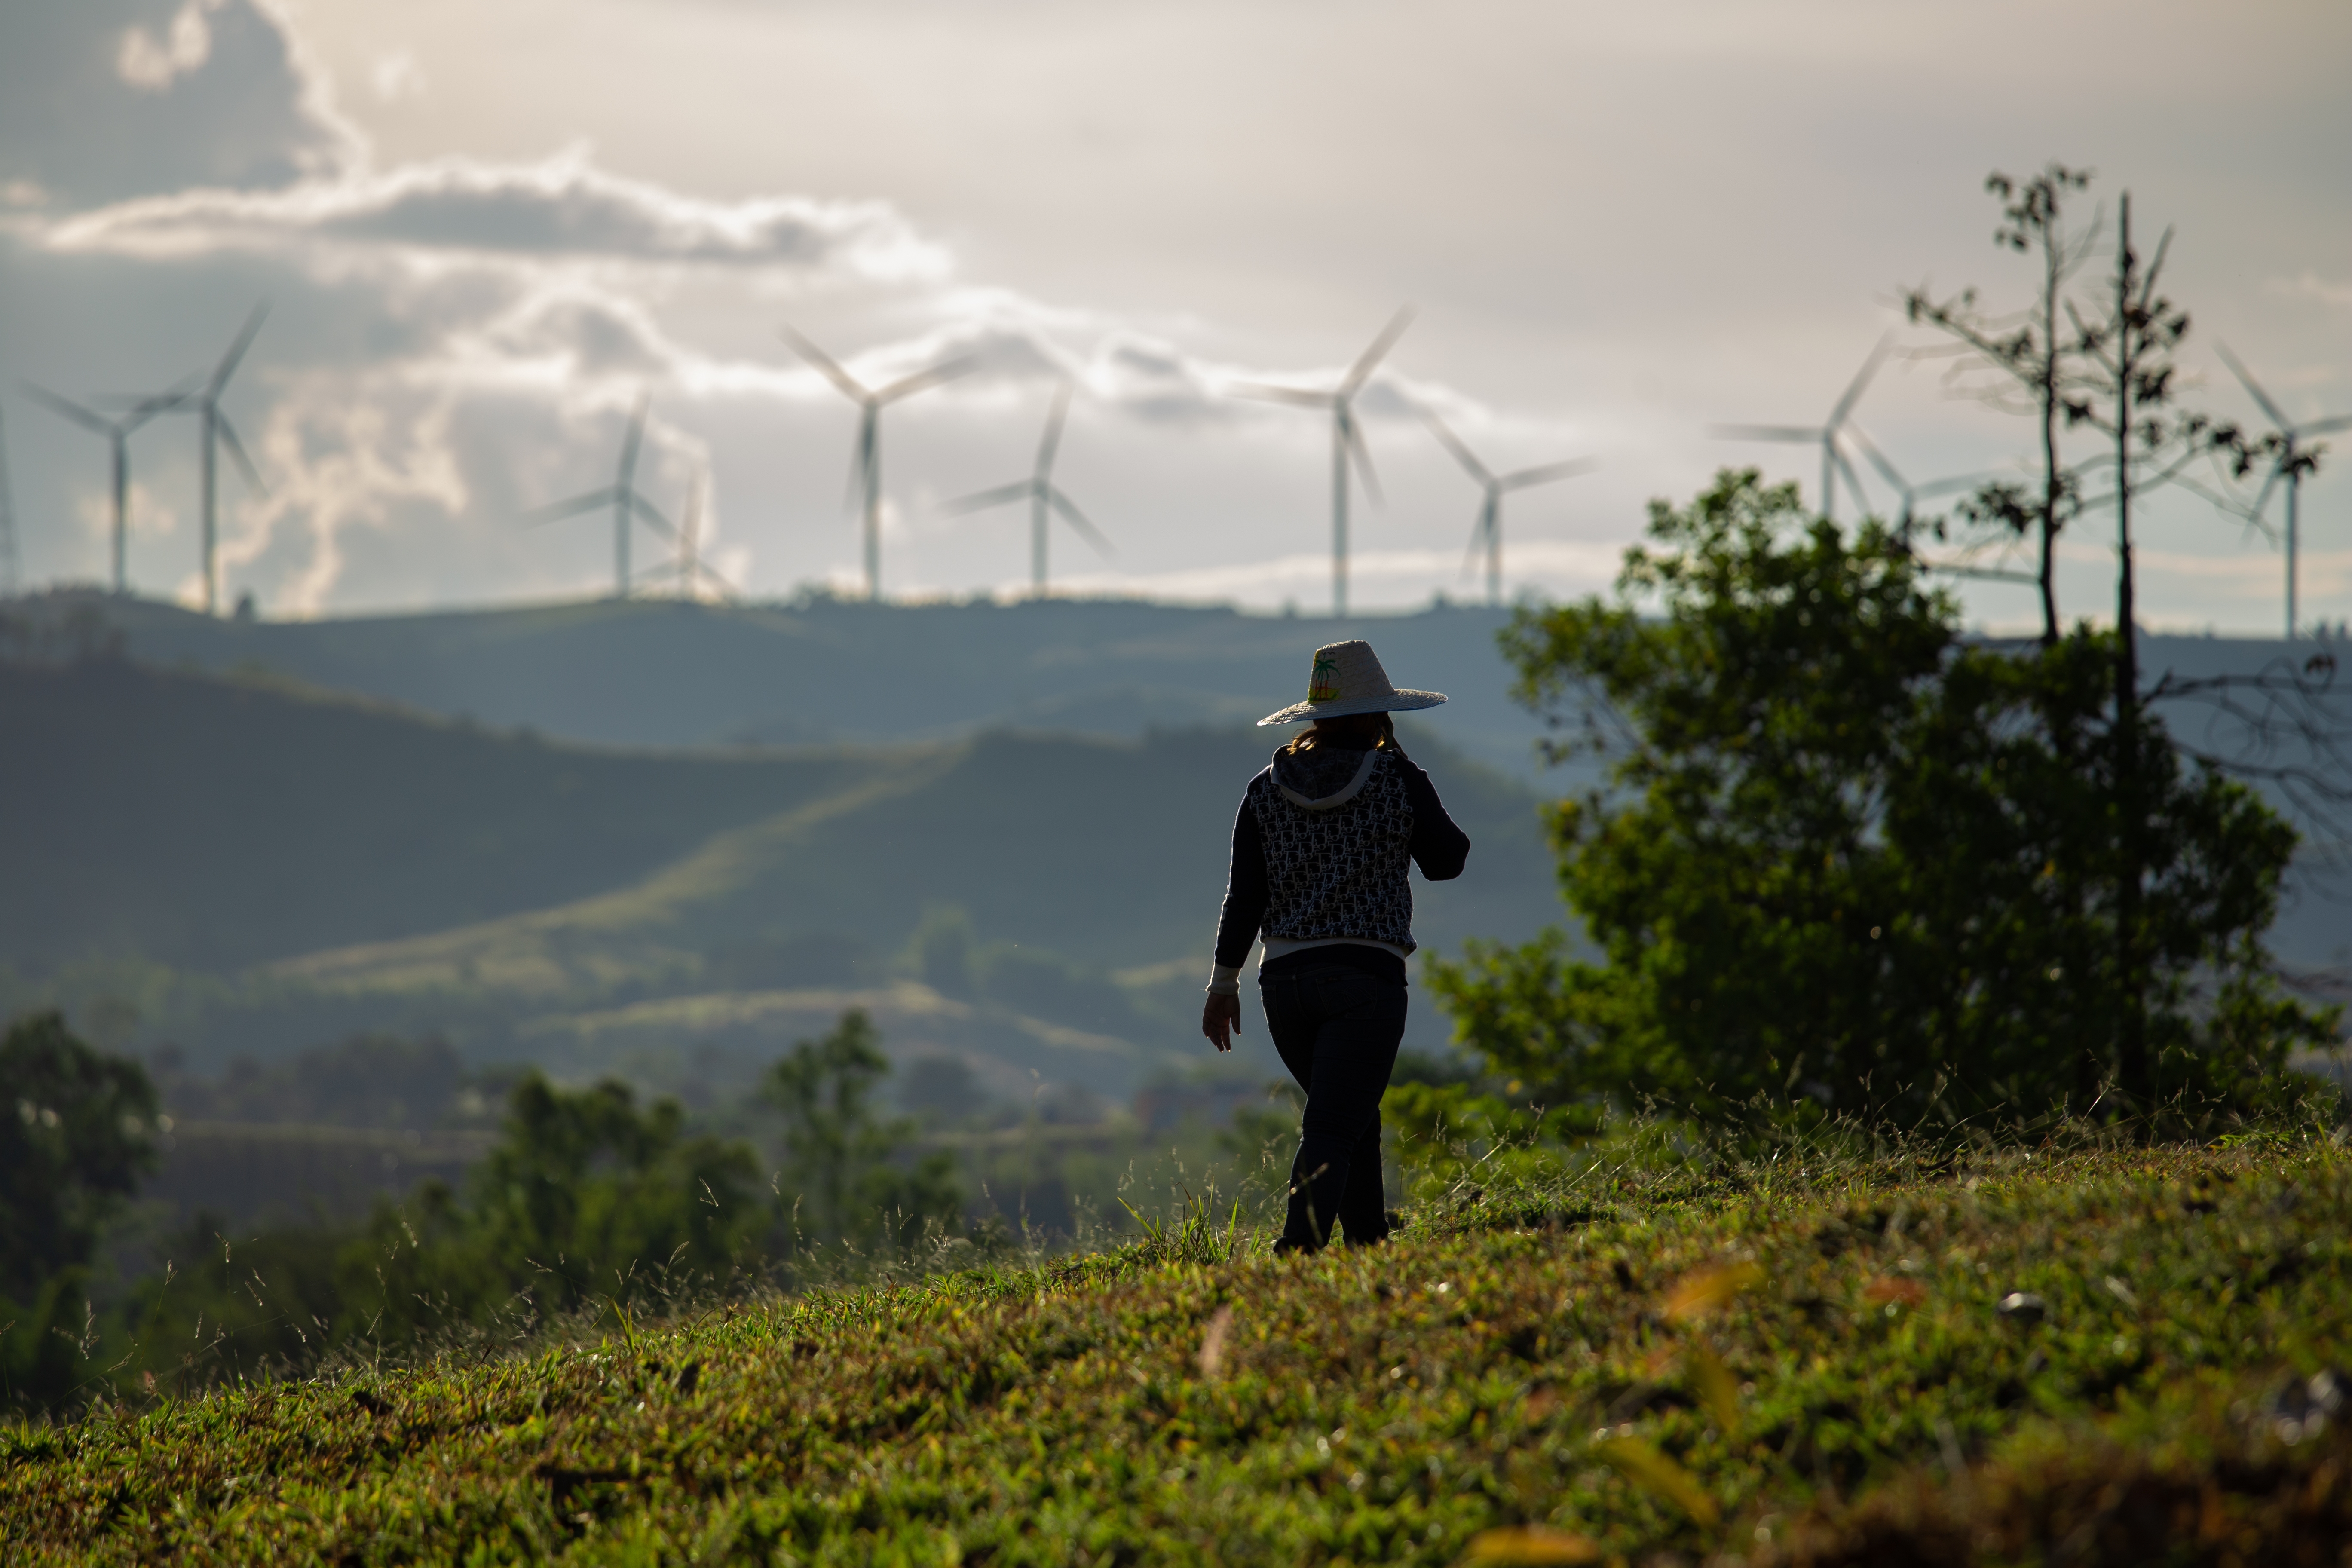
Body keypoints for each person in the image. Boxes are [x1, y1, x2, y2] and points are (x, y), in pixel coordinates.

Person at [1201, 639, 1470, 1253]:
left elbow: (1243, 896)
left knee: (1349, 1117)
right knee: (1333, 1123)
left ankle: (1369, 1245)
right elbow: (1448, 861)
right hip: (1364, 980)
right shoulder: (1396, 778)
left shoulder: (1264, 789)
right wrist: (1402, 767)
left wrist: (1222, 985)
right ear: (1379, 714)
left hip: (1284, 986)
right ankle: (1298, 1252)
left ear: (1316, 718)